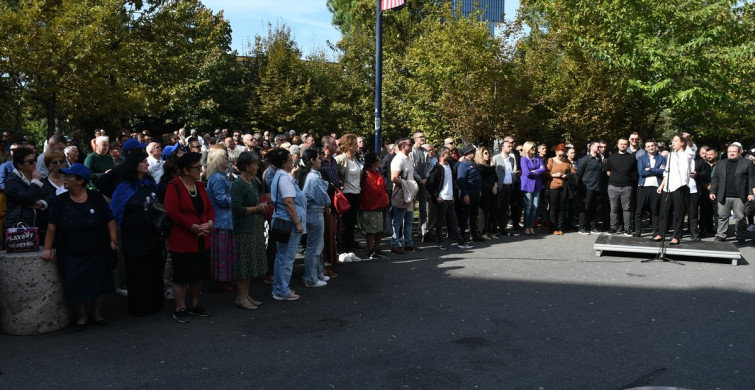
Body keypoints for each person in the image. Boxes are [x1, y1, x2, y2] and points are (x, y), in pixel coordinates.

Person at [41, 164, 116, 331]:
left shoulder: (95, 197)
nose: (65, 179)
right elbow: (52, 226)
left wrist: (113, 239)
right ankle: (81, 315)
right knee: (74, 283)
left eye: (69, 176)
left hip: (97, 248)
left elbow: (109, 219)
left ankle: (96, 313)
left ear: (80, 181)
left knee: (100, 282)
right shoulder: (60, 200)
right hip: (72, 251)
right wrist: (47, 248)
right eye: (65, 176)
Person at [110, 150, 164, 316]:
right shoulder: (124, 188)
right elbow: (114, 213)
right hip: (134, 236)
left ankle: (155, 303)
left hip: (152, 235)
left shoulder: (150, 183)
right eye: (143, 161)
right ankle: (140, 306)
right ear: (134, 165)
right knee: (138, 271)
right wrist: (113, 238)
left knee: (153, 269)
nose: (147, 164)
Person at [165, 152, 215, 323]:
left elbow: (209, 208)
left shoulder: (199, 186)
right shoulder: (174, 186)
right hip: (184, 238)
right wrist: (191, 226)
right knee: (182, 275)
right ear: (186, 170)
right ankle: (180, 307)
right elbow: (172, 211)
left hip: (203, 236)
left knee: (199, 273)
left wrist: (209, 223)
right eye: (197, 168)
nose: (200, 170)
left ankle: (194, 304)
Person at [230, 151, 270, 309]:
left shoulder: (253, 181)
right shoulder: (238, 184)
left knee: (252, 263)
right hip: (245, 229)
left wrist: (262, 207)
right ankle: (241, 297)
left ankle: (246, 295)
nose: (257, 166)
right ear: (246, 166)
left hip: (255, 226)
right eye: (254, 164)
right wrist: (257, 208)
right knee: (244, 264)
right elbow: (237, 209)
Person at [269, 148, 306, 300]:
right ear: (284, 163)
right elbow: (288, 202)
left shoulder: (281, 176)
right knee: (286, 258)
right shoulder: (284, 178)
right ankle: (282, 290)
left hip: (282, 221)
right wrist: (297, 223)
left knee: (282, 257)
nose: (293, 162)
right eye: (291, 160)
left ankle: (280, 287)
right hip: (288, 223)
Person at [653, 133, 697, 245]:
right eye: (673, 140)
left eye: (676, 140)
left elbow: (692, 147)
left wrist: (688, 139)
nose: (673, 142)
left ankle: (676, 236)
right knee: (664, 210)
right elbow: (667, 172)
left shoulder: (687, 153)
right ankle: (661, 233)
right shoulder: (671, 154)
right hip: (668, 186)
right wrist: (661, 186)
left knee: (678, 212)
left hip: (680, 186)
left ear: (682, 143)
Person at [204, 148, 237, 292]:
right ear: (218, 161)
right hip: (221, 221)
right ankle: (221, 280)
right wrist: (237, 200)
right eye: (225, 158)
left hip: (226, 220)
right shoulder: (217, 178)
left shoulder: (221, 176)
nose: (228, 160)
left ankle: (226, 278)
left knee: (227, 252)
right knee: (223, 253)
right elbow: (220, 199)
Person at [427, 147, 471, 250]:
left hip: (450, 199)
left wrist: (452, 195)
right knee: (440, 222)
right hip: (441, 199)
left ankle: (461, 242)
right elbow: (429, 184)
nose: (451, 155)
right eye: (448, 153)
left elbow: (451, 182)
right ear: (442, 156)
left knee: (453, 221)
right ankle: (440, 242)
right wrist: (436, 196)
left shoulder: (450, 166)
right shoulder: (437, 169)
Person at [709, 144, 755, 244]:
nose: (732, 153)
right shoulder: (721, 163)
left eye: (734, 151)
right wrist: (712, 191)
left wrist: (751, 193)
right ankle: (721, 235)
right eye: (730, 152)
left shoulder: (747, 163)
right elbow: (715, 179)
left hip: (739, 196)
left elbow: (751, 179)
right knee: (722, 216)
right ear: (727, 152)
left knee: (740, 218)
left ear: (739, 152)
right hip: (723, 195)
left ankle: (741, 236)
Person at [299, 149, 332, 285]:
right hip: (314, 212)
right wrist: (327, 201)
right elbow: (324, 197)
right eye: (318, 158)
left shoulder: (310, 175)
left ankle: (318, 273)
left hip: (314, 211)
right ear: (312, 160)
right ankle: (311, 278)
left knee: (318, 245)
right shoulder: (313, 177)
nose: (320, 161)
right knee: (315, 247)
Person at [3, 147, 45, 235]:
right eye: (30, 162)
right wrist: (36, 182)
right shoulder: (12, 181)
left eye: (35, 160)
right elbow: (28, 198)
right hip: (18, 229)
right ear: (20, 164)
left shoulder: (35, 176)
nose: (34, 163)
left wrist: (42, 203)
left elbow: (48, 195)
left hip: (36, 226)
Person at [390, 138, 419, 254]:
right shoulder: (398, 159)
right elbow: (394, 178)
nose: (411, 145)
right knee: (398, 219)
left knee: (409, 219)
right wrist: (407, 185)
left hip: (408, 192)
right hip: (401, 193)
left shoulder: (408, 158)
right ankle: (394, 243)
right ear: (403, 147)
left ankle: (408, 243)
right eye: (409, 144)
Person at [359, 151, 389, 260]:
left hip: (379, 204)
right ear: (373, 162)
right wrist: (381, 185)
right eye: (378, 160)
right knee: (371, 230)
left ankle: (376, 248)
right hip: (370, 205)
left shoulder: (375, 172)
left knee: (379, 229)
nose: (379, 161)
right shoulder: (367, 173)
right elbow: (374, 189)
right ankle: (370, 250)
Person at [633, 140, 666, 238]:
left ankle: (655, 232)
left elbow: (664, 171)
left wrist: (650, 169)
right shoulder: (641, 158)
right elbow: (641, 172)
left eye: (652, 145)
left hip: (656, 186)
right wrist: (657, 170)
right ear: (645, 148)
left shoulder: (662, 158)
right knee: (639, 210)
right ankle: (637, 231)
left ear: (655, 146)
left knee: (655, 210)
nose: (651, 147)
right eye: (648, 146)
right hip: (643, 186)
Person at [335, 134, 362, 251]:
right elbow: (333, 174)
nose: (358, 146)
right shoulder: (340, 159)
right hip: (346, 194)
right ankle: (343, 249)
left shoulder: (355, 159)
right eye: (355, 144)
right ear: (349, 145)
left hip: (356, 193)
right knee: (345, 223)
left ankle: (349, 248)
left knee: (352, 223)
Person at [605, 138, 637, 235]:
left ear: (627, 145)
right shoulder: (612, 157)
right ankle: (613, 227)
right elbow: (608, 172)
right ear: (617, 145)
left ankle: (627, 228)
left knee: (627, 209)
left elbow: (634, 173)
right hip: (613, 187)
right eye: (621, 144)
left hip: (627, 187)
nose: (622, 145)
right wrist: (616, 178)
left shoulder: (631, 157)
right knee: (613, 208)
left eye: (624, 144)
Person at [456, 145, 484, 242]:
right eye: (472, 152)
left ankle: (473, 234)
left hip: (475, 192)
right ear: (468, 154)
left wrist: (479, 190)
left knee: (474, 215)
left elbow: (477, 177)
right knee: (465, 215)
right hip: (468, 192)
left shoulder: (472, 164)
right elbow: (461, 180)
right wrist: (465, 194)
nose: (474, 154)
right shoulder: (463, 165)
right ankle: (462, 236)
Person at [546, 144, 575, 235]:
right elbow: (546, 173)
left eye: (563, 155)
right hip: (553, 186)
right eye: (559, 155)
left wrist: (567, 175)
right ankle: (553, 227)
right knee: (554, 207)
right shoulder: (551, 160)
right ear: (556, 152)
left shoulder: (567, 162)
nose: (561, 157)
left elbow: (573, 173)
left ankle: (560, 227)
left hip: (564, 187)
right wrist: (554, 175)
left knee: (562, 208)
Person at [492, 139, 519, 237]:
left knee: (505, 209)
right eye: (509, 146)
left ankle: (503, 229)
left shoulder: (512, 158)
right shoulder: (496, 158)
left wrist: (515, 177)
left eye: (511, 146)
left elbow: (512, 170)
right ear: (503, 148)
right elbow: (493, 172)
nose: (511, 148)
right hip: (500, 186)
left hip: (509, 186)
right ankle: (494, 229)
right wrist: (495, 185)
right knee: (497, 208)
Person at [520, 141, 546, 236]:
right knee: (528, 207)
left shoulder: (537, 158)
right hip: (528, 184)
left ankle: (531, 226)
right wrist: (537, 171)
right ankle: (526, 227)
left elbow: (543, 169)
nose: (534, 149)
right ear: (527, 148)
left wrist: (534, 171)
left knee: (535, 207)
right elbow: (527, 172)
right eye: (532, 148)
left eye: (534, 147)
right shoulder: (524, 159)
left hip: (536, 184)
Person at [577, 141, 603, 235]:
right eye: (598, 146)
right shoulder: (585, 159)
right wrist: (580, 186)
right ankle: (582, 227)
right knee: (585, 207)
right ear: (591, 147)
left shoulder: (599, 158)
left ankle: (593, 226)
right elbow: (579, 173)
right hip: (587, 187)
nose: (600, 148)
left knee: (594, 208)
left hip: (597, 187)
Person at [409, 132, 430, 241]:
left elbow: (428, 165)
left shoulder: (425, 151)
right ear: (415, 139)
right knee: (410, 208)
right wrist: (419, 179)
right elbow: (412, 167)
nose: (423, 138)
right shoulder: (411, 152)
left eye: (423, 136)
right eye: (420, 137)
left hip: (423, 183)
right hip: (414, 183)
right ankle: (409, 233)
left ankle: (423, 232)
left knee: (423, 208)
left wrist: (426, 177)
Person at [474, 146, 498, 239]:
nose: (488, 155)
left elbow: (496, 177)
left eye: (489, 153)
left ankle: (491, 231)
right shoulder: (478, 166)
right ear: (481, 155)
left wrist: (495, 185)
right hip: (484, 190)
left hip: (492, 190)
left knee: (493, 210)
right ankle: (482, 232)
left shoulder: (490, 166)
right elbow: (486, 171)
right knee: (484, 211)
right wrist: (492, 166)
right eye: (486, 153)